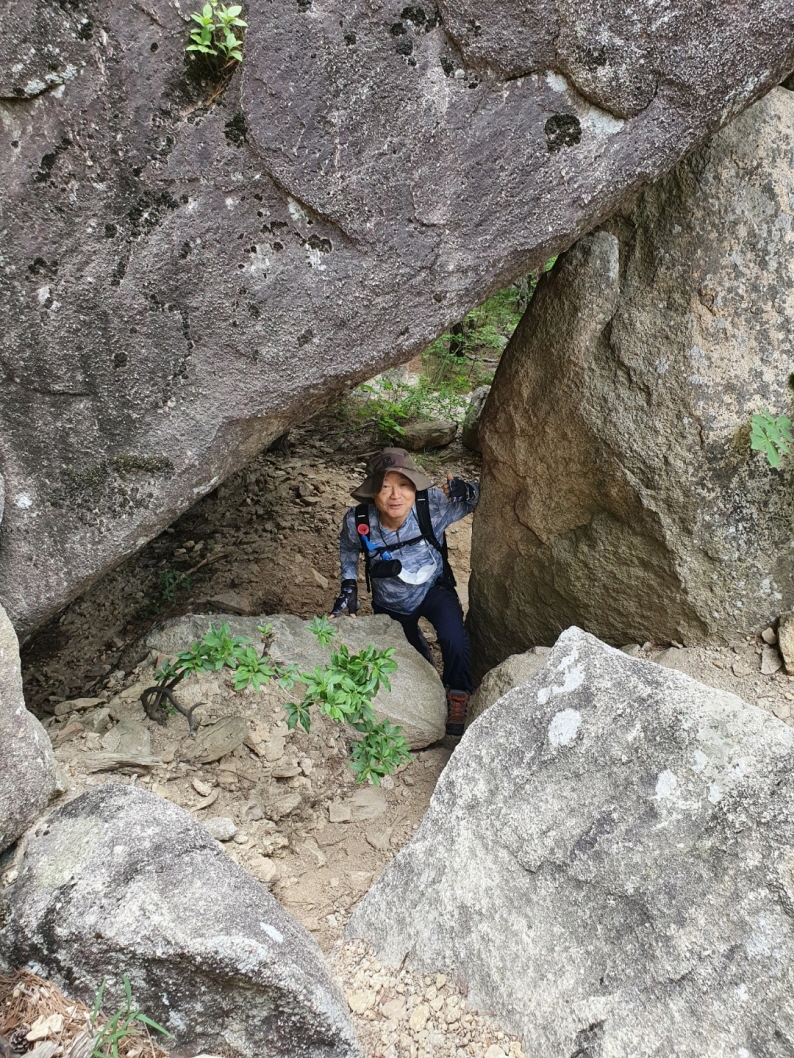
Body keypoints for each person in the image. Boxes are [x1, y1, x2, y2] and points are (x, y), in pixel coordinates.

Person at [329, 447, 479, 736]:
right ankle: (427, 681)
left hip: (434, 589)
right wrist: (348, 584)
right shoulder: (359, 520)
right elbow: (348, 547)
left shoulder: (431, 505)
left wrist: (466, 490)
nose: (395, 495)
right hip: (389, 601)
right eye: (385, 486)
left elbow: (481, 494)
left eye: (404, 485)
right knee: (409, 655)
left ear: (415, 488)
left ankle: (458, 693)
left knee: (454, 638)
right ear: (373, 492)